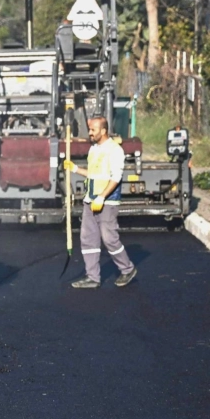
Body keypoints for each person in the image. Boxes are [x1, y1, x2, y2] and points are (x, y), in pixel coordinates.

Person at [68, 115, 138, 289]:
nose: (90, 133)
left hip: (107, 201)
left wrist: (102, 197)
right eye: (90, 129)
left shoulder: (115, 150)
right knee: (88, 238)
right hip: (90, 200)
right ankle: (93, 276)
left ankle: (127, 269)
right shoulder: (94, 149)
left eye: (93, 130)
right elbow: (93, 174)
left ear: (104, 130)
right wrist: (75, 169)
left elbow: (115, 177)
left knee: (109, 238)